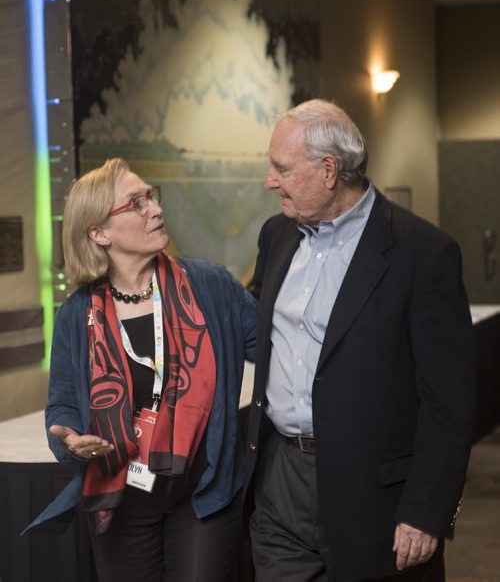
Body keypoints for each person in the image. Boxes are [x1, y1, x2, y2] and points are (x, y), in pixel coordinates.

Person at [245, 99, 476, 581]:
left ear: (329, 170)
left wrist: (429, 512)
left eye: (281, 168)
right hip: (279, 483)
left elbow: (448, 403)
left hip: (374, 498)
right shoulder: (277, 237)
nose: (270, 181)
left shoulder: (423, 254)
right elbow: (252, 332)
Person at [26, 158, 256, 581]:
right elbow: (61, 406)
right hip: (120, 497)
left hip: (202, 493)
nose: (154, 208)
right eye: (136, 203)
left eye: (151, 196)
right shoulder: (77, 314)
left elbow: (276, 349)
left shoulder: (210, 286)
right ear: (99, 232)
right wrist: (70, 439)